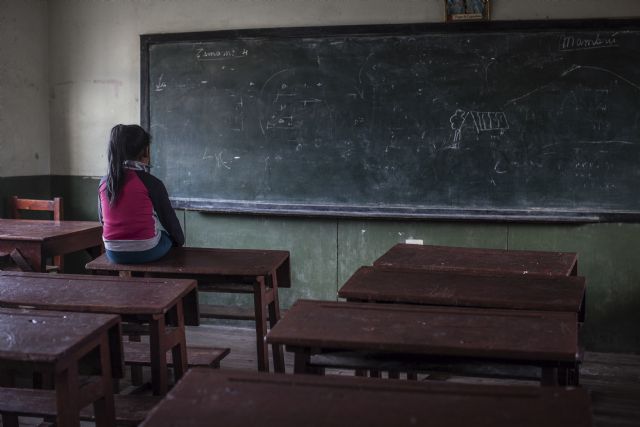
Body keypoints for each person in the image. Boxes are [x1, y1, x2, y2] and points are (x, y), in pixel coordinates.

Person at [98, 124, 184, 263]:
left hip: (113, 253)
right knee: (166, 238)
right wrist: (179, 241)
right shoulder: (151, 182)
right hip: (146, 251)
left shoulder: (104, 182)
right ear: (145, 151)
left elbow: (102, 219)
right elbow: (169, 221)